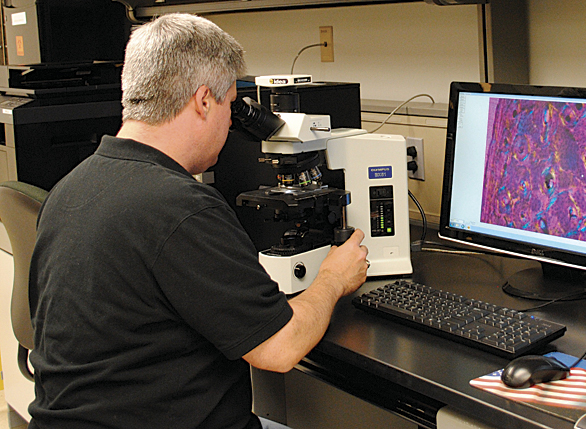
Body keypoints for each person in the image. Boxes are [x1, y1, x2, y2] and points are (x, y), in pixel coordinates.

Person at [27, 13, 369, 429]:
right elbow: (279, 349)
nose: (231, 121)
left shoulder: (70, 189)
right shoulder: (181, 209)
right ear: (204, 100)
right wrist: (333, 278)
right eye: (229, 104)